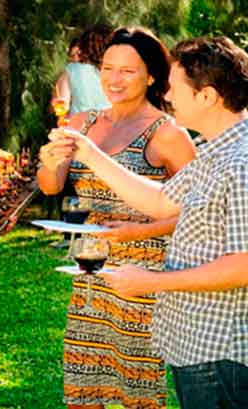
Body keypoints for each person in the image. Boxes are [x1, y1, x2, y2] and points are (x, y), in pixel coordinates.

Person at [54, 36, 248, 409]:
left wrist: (153, 281)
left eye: (175, 88)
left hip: (222, 355)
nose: (169, 96)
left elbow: (243, 265)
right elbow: (159, 201)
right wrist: (88, 152)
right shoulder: (214, 152)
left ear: (206, 96)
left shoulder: (240, 164)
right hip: (195, 347)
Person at [37, 27, 197, 409]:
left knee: (138, 391)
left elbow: (198, 212)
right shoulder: (79, 124)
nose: (114, 79)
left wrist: (138, 231)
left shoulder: (169, 134)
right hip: (91, 271)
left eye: (127, 71)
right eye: (107, 68)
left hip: (145, 277)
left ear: (152, 76)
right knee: (83, 386)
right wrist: (49, 163)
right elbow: (51, 187)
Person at [53, 24, 113, 115]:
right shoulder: (117, 72)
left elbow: (61, 102)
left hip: (79, 126)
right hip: (112, 127)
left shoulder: (72, 69)